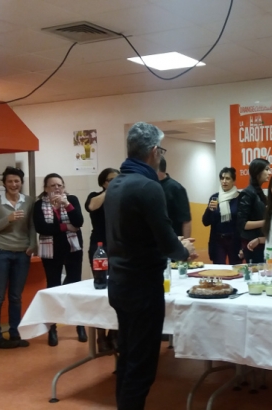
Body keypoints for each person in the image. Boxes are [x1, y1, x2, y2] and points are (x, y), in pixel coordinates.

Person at [104, 122, 197, 410]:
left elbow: (135, 232)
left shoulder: (116, 184)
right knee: (142, 367)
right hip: (143, 286)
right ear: (155, 151)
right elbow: (167, 243)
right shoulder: (148, 186)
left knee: (127, 358)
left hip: (118, 282)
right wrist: (184, 250)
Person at [0, 167, 36, 349]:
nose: (14, 184)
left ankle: (15, 333)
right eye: (10, 181)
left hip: (22, 253)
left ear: (21, 182)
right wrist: (8, 219)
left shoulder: (29, 201)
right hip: (0, 252)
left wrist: (33, 245)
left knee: (16, 297)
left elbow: (32, 226)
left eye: (17, 181)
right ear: (4, 183)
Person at [33, 173, 86, 347]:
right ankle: (53, 328)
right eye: (53, 185)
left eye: (59, 185)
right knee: (53, 287)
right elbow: (42, 228)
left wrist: (66, 205)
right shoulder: (39, 205)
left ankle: (80, 326)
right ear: (45, 188)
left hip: (73, 249)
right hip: (51, 252)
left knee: (75, 286)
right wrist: (65, 226)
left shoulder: (72, 200)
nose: (57, 188)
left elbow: (79, 222)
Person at [86, 167, 119, 352]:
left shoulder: (122, 197)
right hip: (100, 248)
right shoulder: (95, 196)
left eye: (117, 179)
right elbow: (92, 206)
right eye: (111, 180)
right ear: (103, 183)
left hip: (119, 248)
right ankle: (100, 337)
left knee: (117, 292)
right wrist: (110, 191)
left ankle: (114, 334)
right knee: (100, 291)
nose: (115, 183)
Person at [202, 167, 242, 265]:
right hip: (218, 240)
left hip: (235, 240)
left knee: (236, 268)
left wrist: (243, 246)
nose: (224, 181)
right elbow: (205, 222)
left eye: (227, 178)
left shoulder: (240, 197)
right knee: (218, 269)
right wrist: (209, 210)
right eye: (222, 178)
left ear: (233, 181)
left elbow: (242, 222)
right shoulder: (215, 197)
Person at [237, 158, 270, 263]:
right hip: (251, 243)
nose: (269, 173)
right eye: (266, 169)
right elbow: (243, 224)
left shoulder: (259, 192)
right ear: (258, 172)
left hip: (262, 241)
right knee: (256, 271)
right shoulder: (247, 193)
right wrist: (266, 222)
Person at [157, 157, 191, 238]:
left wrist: (186, 243)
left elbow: (186, 220)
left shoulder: (176, 189)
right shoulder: (149, 186)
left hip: (173, 239)